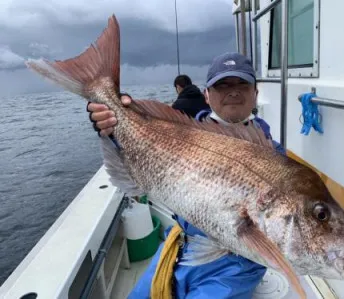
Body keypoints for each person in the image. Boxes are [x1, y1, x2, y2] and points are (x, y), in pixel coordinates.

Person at [87, 52, 285, 298]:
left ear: (255, 93)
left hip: (236, 265)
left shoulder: (274, 156)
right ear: (207, 95)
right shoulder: (181, 133)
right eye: (222, 85)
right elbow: (138, 158)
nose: (233, 91)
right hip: (178, 246)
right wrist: (112, 124)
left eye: (242, 84)